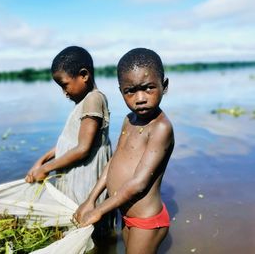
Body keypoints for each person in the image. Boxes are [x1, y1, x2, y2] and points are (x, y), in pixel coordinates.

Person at [74, 48, 174, 254]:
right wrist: (91, 200)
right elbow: (113, 163)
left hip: (146, 222)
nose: (140, 98)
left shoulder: (161, 128)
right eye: (130, 91)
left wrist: (99, 210)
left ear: (164, 86)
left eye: (148, 88)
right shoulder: (129, 120)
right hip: (127, 215)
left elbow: (139, 184)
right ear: (121, 91)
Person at [25, 46, 112, 206]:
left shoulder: (94, 99)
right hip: (74, 174)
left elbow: (82, 149)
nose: (64, 92)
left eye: (65, 85)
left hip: (85, 178)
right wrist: (42, 160)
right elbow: (70, 142)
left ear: (84, 75)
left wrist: (46, 169)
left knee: (82, 218)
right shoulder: (83, 101)